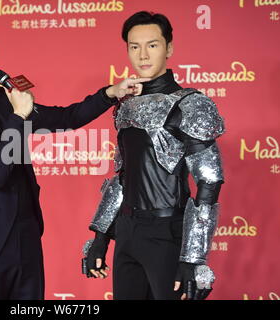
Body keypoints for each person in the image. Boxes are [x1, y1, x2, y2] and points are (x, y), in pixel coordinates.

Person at [0, 19, 148, 300]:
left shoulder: (2, 99)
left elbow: (65, 118)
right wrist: (18, 117)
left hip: (27, 235)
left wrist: (110, 94)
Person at [83, 11, 225, 300]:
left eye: (152, 45)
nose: (143, 55)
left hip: (168, 234)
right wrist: (100, 237)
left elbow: (209, 183)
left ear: (169, 48)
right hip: (127, 232)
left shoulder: (192, 104)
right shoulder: (125, 105)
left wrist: (193, 259)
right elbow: (122, 177)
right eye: (134, 47)